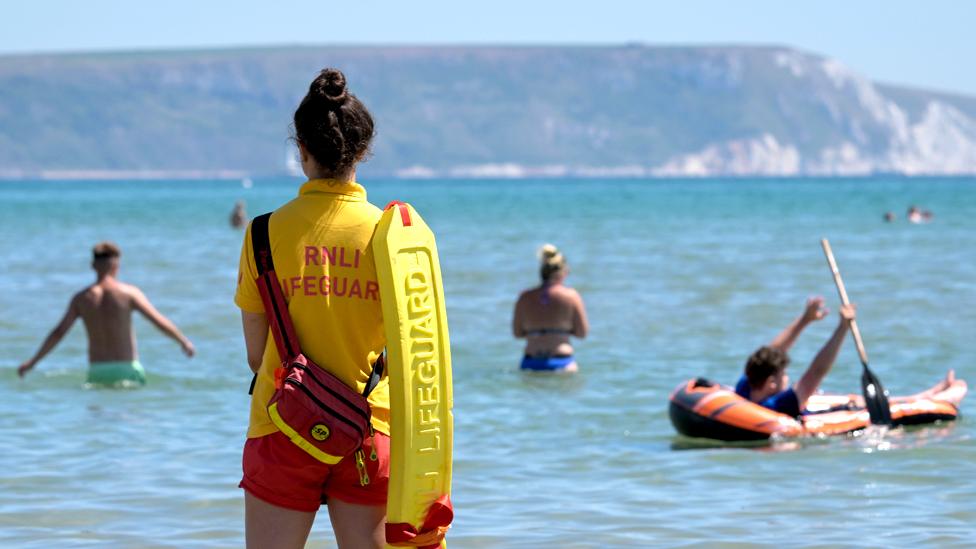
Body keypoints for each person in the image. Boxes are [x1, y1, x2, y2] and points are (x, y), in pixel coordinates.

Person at [234, 68, 391, 548]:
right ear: (362, 150)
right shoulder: (394, 235)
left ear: (301, 149)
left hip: (283, 423)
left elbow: (257, 356)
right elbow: (419, 358)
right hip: (370, 427)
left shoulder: (262, 233)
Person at [17, 241, 195, 385]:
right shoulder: (129, 293)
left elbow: (59, 333)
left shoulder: (81, 299)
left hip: (98, 371)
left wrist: (33, 362)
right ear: (116, 265)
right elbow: (158, 321)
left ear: (93, 265)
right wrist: (183, 341)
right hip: (127, 368)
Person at [733, 297, 854, 417]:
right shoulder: (776, 405)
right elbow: (815, 373)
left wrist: (805, 319)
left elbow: (771, 353)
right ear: (771, 382)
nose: (787, 378)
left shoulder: (744, 387)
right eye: (784, 374)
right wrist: (843, 327)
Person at [512, 244, 589, 372]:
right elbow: (582, 333)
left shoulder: (524, 297)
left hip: (530, 361)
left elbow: (517, 333)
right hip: (562, 361)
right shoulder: (571, 296)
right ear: (563, 273)